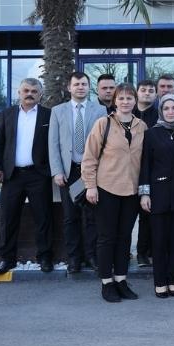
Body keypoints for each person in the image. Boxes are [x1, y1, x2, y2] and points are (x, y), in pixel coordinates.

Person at [81, 84, 148, 302]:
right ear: (115, 101)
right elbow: (89, 157)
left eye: (129, 98)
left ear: (135, 101)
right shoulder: (104, 124)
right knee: (106, 237)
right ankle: (106, 282)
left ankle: (121, 279)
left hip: (131, 190)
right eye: (121, 98)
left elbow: (146, 160)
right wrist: (90, 186)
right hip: (106, 188)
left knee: (124, 237)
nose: (125, 102)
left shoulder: (142, 126)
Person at [0, 78, 54, 275]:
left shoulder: (48, 115)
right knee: (8, 218)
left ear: (40, 94)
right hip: (13, 175)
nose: (29, 94)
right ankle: (6, 259)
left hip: (39, 175)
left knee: (43, 218)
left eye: (34, 91)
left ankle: (45, 257)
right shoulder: (7, 114)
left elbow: (54, 144)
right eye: (26, 90)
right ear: (19, 93)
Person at [138, 94, 174, 298]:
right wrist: (144, 194)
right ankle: (160, 282)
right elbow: (145, 165)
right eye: (166, 108)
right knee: (159, 241)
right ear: (161, 111)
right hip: (158, 195)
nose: (171, 112)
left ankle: (173, 281)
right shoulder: (151, 134)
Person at [48, 72, 105, 274]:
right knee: (70, 217)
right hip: (69, 171)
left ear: (89, 87)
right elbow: (53, 144)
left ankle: (91, 256)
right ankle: (74, 258)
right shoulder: (58, 111)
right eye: (76, 84)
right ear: (69, 87)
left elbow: (103, 142)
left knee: (92, 217)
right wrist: (57, 171)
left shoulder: (100, 110)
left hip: (91, 170)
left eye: (84, 84)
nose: (80, 87)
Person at [133, 79, 158, 267]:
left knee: (147, 215)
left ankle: (143, 252)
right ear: (137, 92)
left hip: (150, 171)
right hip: (128, 171)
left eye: (151, 90)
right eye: (143, 90)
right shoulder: (127, 113)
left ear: (156, 94)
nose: (147, 93)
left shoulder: (159, 115)